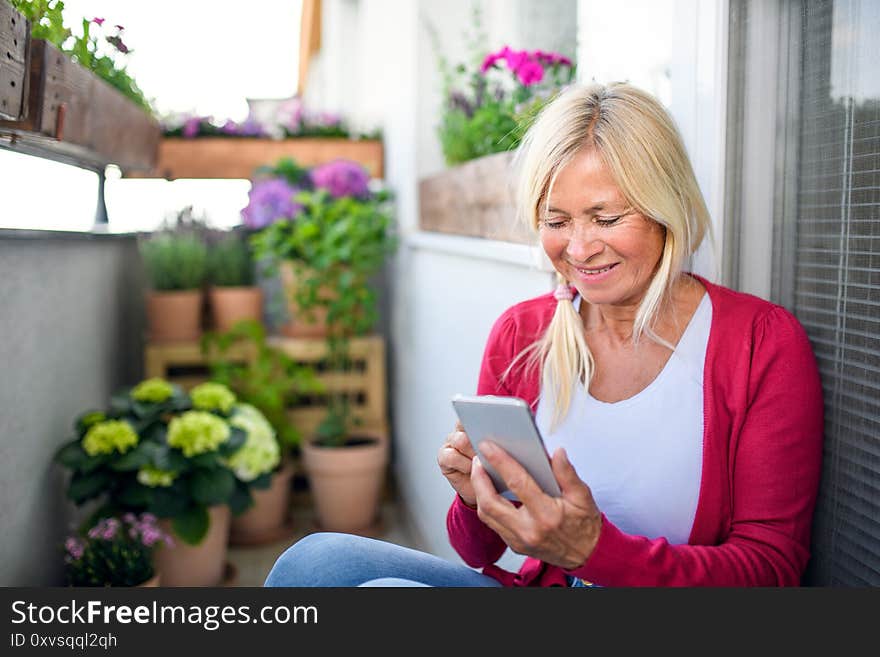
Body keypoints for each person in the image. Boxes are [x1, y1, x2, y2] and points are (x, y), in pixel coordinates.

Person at [264, 81, 824, 588]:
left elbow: (769, 571)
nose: (578, 249)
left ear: (666, 209)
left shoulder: (759, 343)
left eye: (606, 219)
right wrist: (474, 495)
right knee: (312, 564)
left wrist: (594, 552)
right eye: (557, 222)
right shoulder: (522, 332)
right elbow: (475, 549)